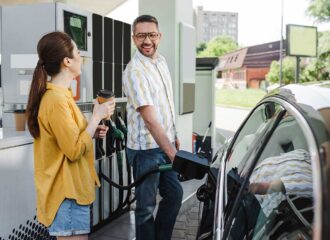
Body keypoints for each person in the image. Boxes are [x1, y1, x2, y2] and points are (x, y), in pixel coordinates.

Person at [26, 32, 115, 240]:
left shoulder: (62, 96)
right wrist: (96, 118)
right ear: (67, 61)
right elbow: (73, 151)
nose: (81, 57)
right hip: (67, 195)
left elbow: (69, 141)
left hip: (72, 193)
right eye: (77, 52)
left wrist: (92, 132)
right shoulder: (56, 100)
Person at [122, 15, 183, 240]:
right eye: (141, 35)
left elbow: (166, 104)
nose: (147, 41)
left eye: (152, 35)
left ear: (159, 36)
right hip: (145, 150)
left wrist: (174, 136)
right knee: (146, 208)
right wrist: (173, 154)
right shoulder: (134, 71)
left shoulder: (161, 62)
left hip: (165, 144)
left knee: (175, 195)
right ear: (133, 39)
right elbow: (149, 119)